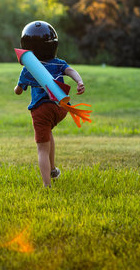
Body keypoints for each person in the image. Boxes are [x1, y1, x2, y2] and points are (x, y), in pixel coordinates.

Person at [14, 21, 85, 188]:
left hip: (42, 111)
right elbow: (71, 71)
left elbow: (18, 90)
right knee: (48, 134)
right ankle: (52, 169)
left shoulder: (29, 69)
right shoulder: (58, 63)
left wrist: (17, 87)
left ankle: (47, 185)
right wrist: (79, 81)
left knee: (42, 150)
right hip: (60, 108)